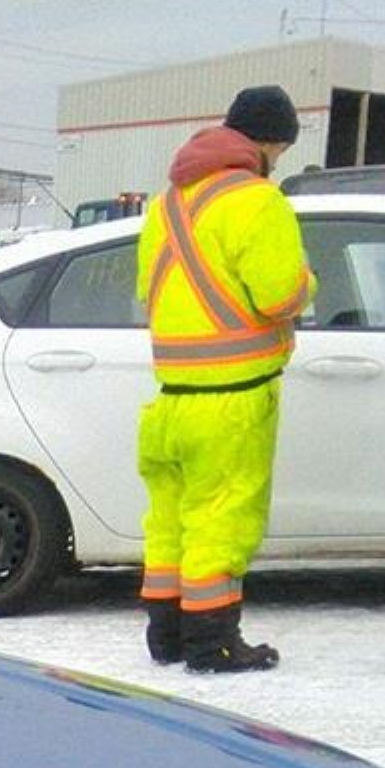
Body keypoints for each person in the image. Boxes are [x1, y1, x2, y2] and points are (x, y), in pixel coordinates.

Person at [134, 85, 314, 672]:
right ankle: (212, 643)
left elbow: (146, 293)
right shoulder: (258, 201)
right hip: (233, 398)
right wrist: (309, 285)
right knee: (221, 519)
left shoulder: (165, 206)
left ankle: (166, 635)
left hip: (170, 400)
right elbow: (280, 294)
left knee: (169, 522)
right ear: (268, 143)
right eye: (281, 150)